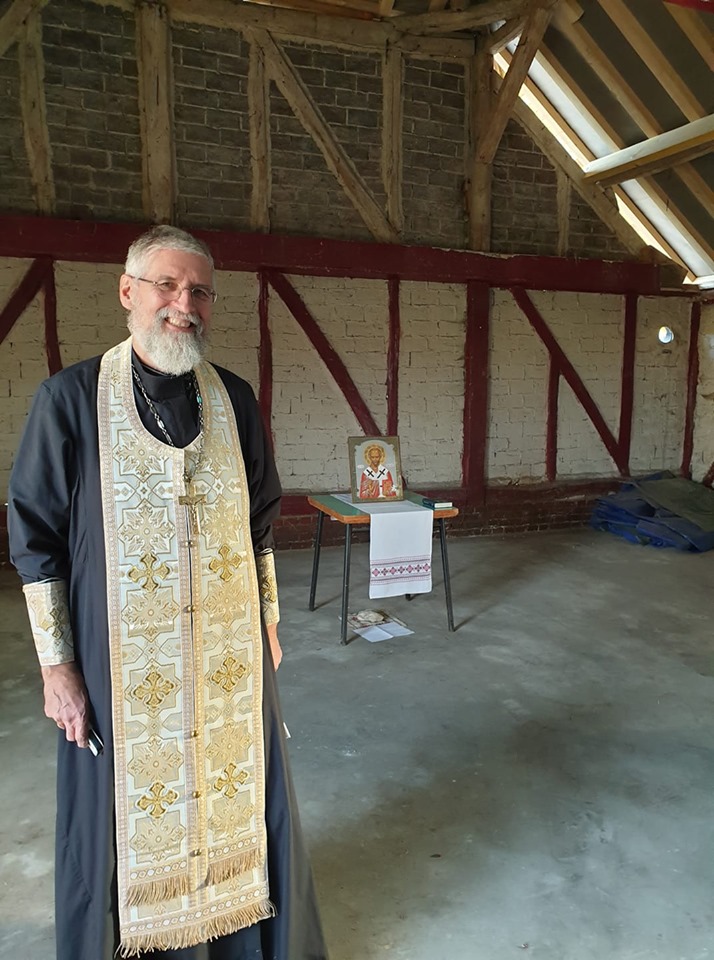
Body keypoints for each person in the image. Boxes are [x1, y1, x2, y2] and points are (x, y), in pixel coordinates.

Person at [8, 225, 328, 960]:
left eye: (199, 291)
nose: (183, 304)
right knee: (122, 818)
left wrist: (268, 622)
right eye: (167, 285)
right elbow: (36, 545)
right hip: (120, 665)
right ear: (129, 292)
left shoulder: (235, 400)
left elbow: (260, 526)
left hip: (226, 656)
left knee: (246, 805)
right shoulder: (69, 400)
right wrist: (58, 670)